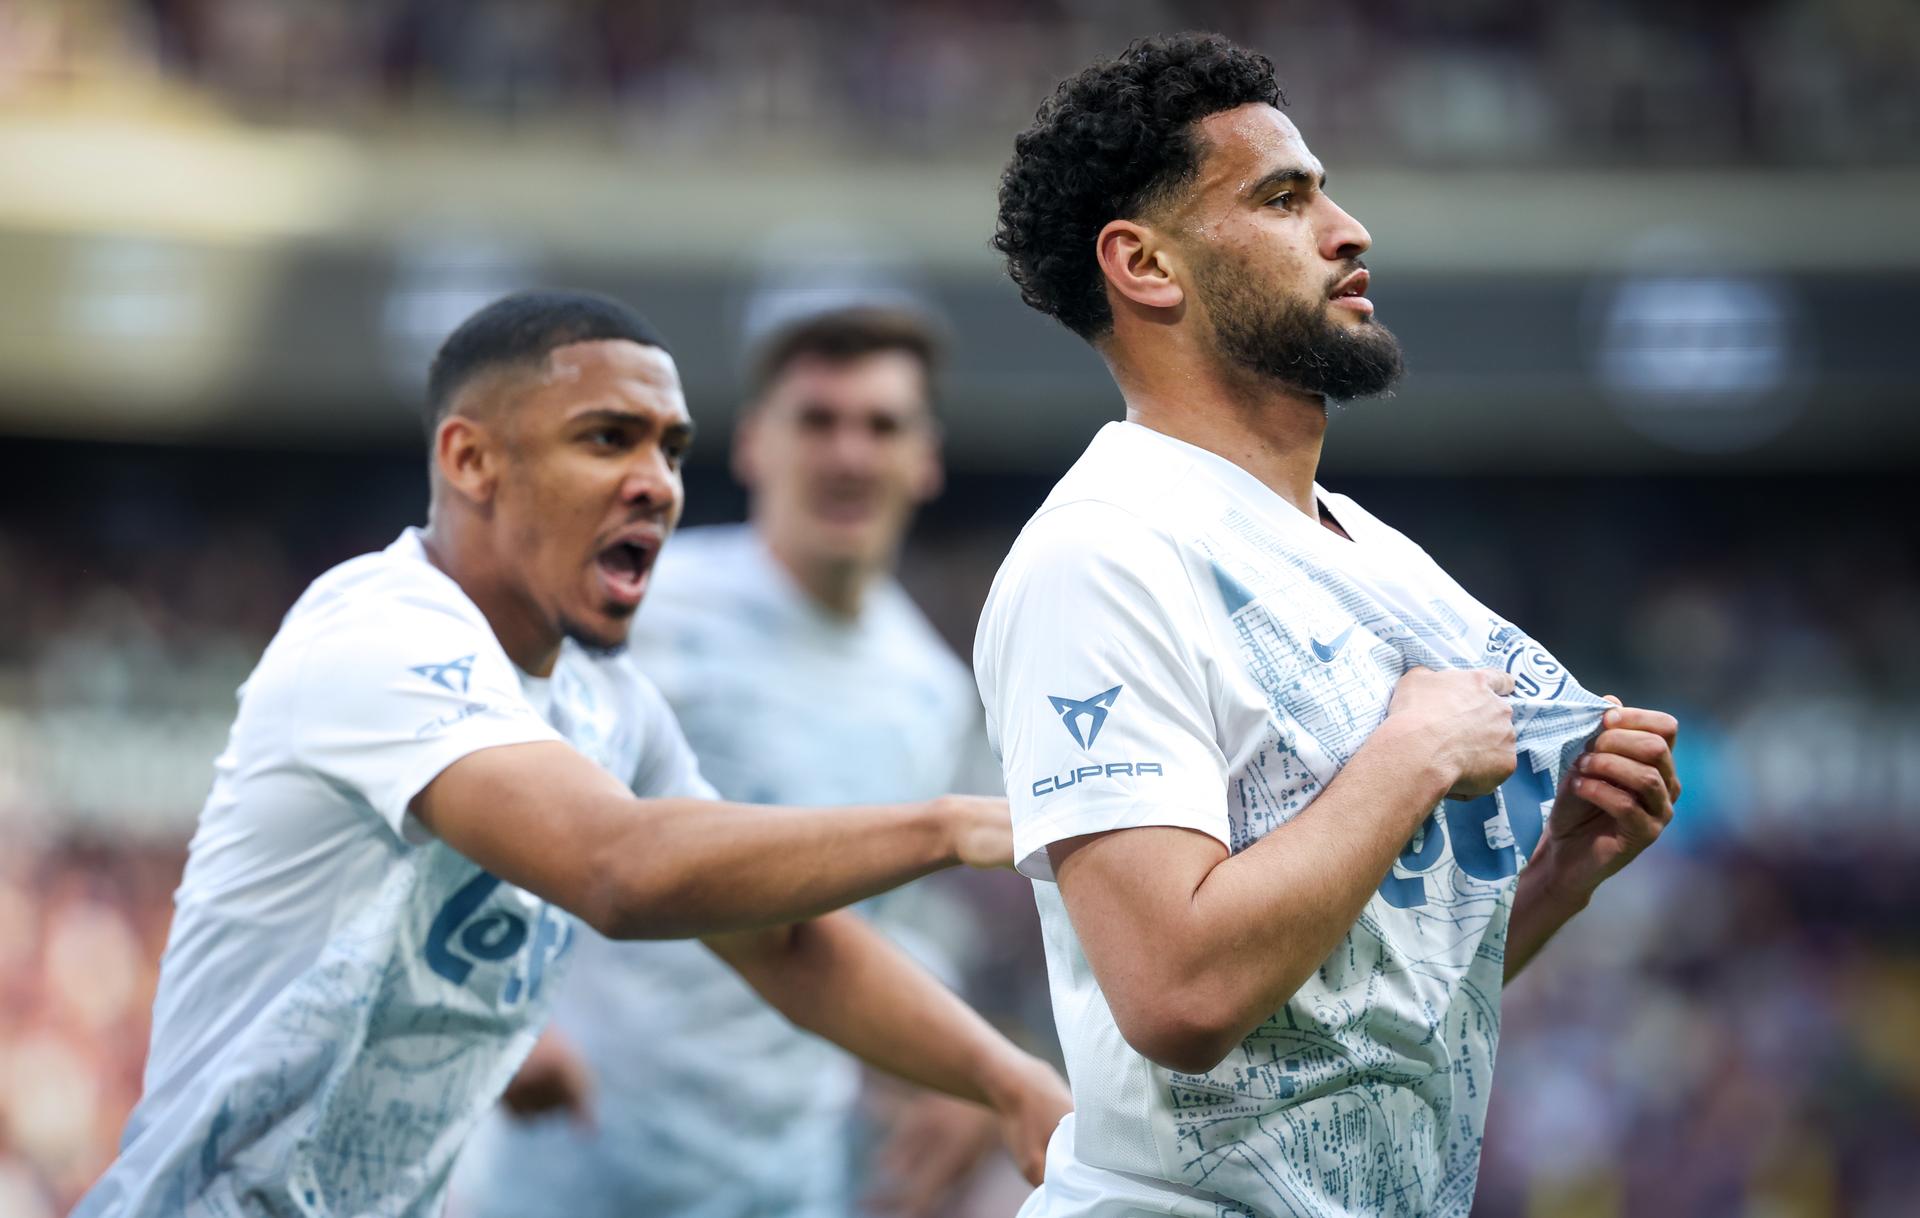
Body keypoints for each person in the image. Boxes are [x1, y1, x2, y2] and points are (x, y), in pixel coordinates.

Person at [75, 291, 1069, 1218]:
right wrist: (949, 824)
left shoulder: (612, 703)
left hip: (765, 1169)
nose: (657, 483)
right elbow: (619, 870)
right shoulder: (379, 634)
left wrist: (1000, 1074)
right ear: (471, 461)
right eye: (607, 439)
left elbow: (785, 938)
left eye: (671, 449)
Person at [975, 33, 1681, 1218]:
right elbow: (1182, 997)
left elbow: (1342, 1019)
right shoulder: (1102, 556)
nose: (1349, 231)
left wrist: (1559, 874)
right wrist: (1410, 758)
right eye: (1284, 197)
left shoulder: (1370, 549)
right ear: (1146, 264)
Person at [460, 305, 1024, 1218]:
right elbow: (478, 798)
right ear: (757, 443)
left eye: (880, 426)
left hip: (786, 1177)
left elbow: (887, 925)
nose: (848, 454)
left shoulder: (930, 691)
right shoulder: (639, 611)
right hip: (576, 1158)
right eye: (818, 420)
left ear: (925, 458)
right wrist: (500, 1012)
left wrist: (956, 1071)